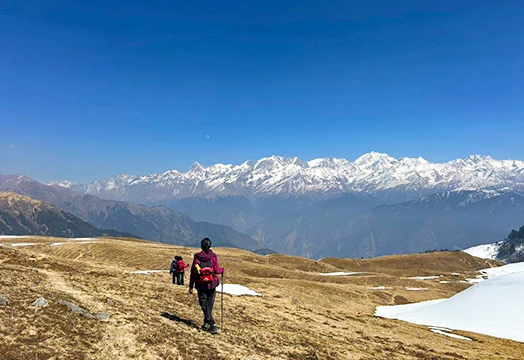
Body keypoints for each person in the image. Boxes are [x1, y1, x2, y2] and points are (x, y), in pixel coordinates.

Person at [189, 237, 224, 334]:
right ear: (210, 245)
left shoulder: (197, 258)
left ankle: (210, 323)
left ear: (201, 246)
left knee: (204, 304)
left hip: (201, 284)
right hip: (212, 284)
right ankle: (208, 323)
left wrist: (191, 285)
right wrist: (222, 270)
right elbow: (216, 270)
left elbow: (193, 272)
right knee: (209, 304)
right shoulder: (213, 257)